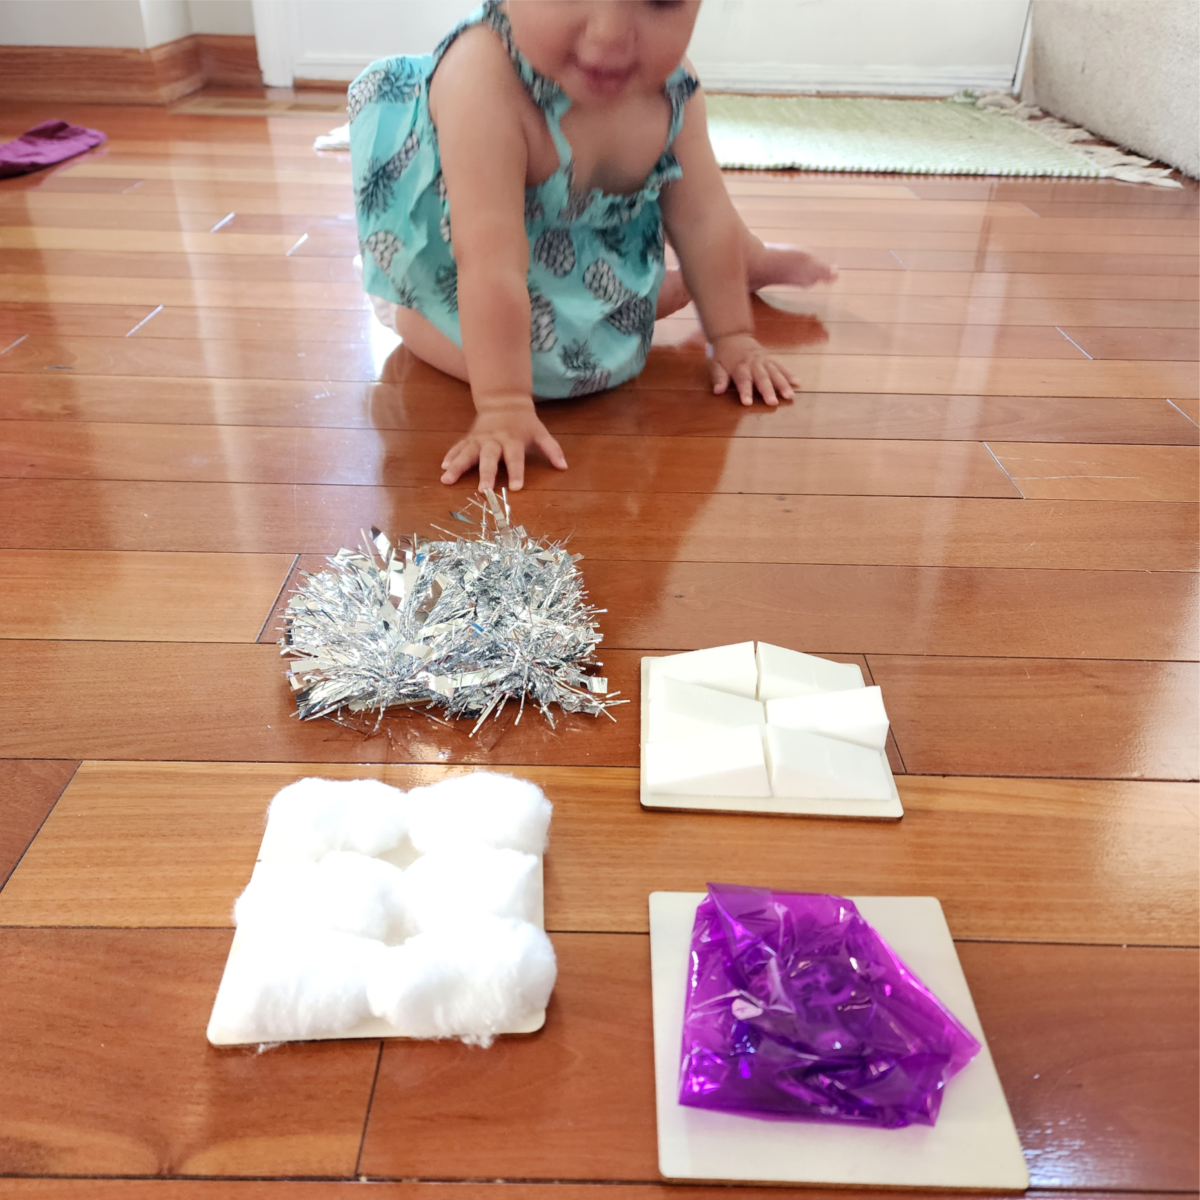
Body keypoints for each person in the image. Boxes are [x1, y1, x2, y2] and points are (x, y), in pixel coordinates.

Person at [350, 0, 836, 490]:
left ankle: (738, 260)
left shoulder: (671, 88)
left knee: (705, 237)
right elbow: (488, 263)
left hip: (585, 250)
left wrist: (733, 336)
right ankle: (406, 313)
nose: (609, 36)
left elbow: (703, 216)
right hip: (457, 268)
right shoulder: (485, 79)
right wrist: (504, 404)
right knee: (536, 371)